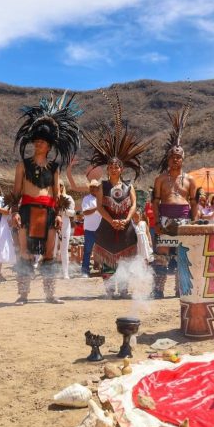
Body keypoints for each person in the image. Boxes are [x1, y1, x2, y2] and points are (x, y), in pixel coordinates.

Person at [8, 93, 80, 304]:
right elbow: (16, 192)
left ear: (49, 146)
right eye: (36, 141)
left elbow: (57, 194)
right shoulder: (22, 165)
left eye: (41, 142)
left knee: (50, 252)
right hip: (27, 211)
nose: (38, 144)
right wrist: (14, 212)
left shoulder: (55, 168)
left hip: (49, 212)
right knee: (25, 252)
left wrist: (58, 215)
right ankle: (23, 295)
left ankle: (50, 294)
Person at [82, 92, 151, 298]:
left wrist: (126, 220)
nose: (113, 168)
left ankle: (124, 288)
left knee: (127, 258)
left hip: (126, 226)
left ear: (121, 169)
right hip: (107, 225)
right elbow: (101, 206)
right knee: (107, 258)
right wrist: (112, 221)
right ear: (108, 169)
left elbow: (133, 205)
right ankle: (110, 289)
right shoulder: (103, 185)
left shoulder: (129, 185)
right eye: (110, 165)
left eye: (116, 166)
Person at [151, 106, 198, 299]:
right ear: (168, 159)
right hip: (164, 218)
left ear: (183, 159)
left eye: (179, 157)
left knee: (182, 254)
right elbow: (155, 201)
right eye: (172, 157)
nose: (175, 159)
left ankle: (181, 288)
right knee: (162, 255)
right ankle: (159, 289)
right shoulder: (160, 179)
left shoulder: (190, 180)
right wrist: (156, 222)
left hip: (185, 219)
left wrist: (194, 221)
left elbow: (194, 202)